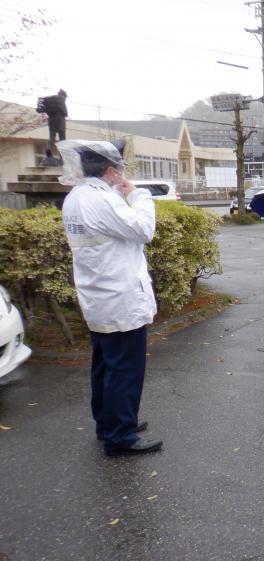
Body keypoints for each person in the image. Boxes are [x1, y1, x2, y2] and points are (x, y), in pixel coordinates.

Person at [60, 139, 163, 457]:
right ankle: (121, 436)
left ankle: (109, 424)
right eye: (118, 167)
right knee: (125, 370)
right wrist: (138, 194)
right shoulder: (102, 200)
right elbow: (144, 229)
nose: (121, 172)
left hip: (99, 295)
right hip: (119, 299)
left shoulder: (77, 197)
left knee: (105, 365)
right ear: (109, 170)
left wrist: (119, 193)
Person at [44, 89, 68, 158]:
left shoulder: (51, 100)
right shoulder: (61, 100)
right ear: (63, 95)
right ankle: (62, 155)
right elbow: (65, 112)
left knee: (52, 137)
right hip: (60, 120)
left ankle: (48, 149)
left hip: (51, 120)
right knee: (62, 138)